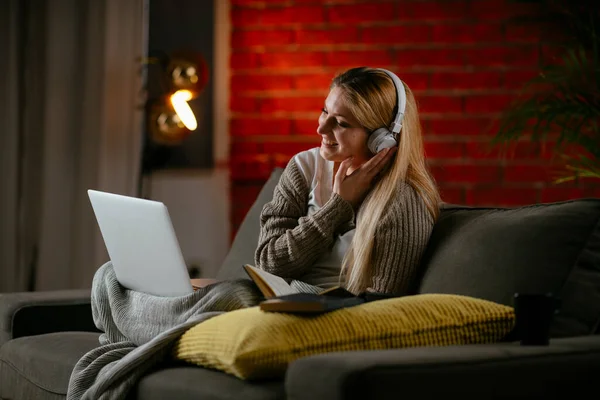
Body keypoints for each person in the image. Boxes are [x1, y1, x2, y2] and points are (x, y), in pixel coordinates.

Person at [254, 66, 442, 296]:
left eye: (342, 123)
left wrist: (339, 206)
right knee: (227, 294)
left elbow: (383, 303)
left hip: (331, 315)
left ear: (382, 139)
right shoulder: (304, 167)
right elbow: (269, 263)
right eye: (324, 111)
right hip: (276, 298)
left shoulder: (402, 200)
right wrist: (336, 208)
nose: (321, 127)